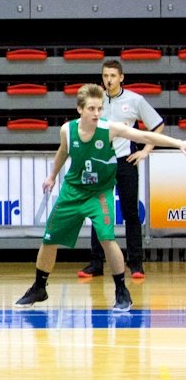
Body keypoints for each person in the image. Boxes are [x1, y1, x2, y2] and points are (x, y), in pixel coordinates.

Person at [14, 83, 186, 313]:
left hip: (100, 193)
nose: (97, 113)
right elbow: (63, 151)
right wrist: (52, 175)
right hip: (73, 191)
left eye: (99, 108)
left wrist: (179, 143)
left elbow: (142, 134)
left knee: (107, 239)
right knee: (49, 239)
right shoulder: (67, 130)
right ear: (80, 110)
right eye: (92, 109)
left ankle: (121, 290)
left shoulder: (110, 128)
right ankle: (39, 286)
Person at [79, 60, 164, 280]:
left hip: (125, 162)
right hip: (100, 163)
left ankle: (136, 265)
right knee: (98, 213)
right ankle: (96, 264)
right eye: (105, 75)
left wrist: (145, 151)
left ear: (121, 77)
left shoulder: (135, 100)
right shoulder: (95, 101)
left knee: (130, 213)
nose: (109, 80)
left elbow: (157, 124)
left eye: (113, 76)